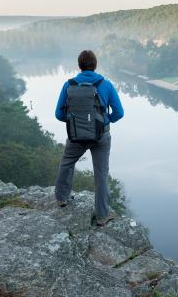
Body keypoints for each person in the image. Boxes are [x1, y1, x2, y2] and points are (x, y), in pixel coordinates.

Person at [54, 50, 124, 226]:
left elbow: (58, 114)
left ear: (79, 66)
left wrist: (74, 122)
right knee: (101, 174)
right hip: (101, 136)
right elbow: (119, 113)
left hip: (76, 135)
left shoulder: (68, 85)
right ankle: (102, 216)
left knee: (67, 163)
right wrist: (104, 122)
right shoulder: (106, 84)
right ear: (95, 65)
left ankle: (62, 198)